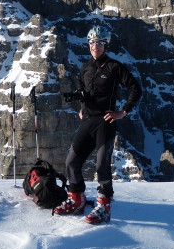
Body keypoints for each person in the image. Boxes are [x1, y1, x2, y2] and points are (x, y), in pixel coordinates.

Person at [54, 25, 142, 224]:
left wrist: (122, 112)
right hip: (88, 120)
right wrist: (82, 106)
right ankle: (76, 198)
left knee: (102, 165)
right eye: (93, 42)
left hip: (106, 121)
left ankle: (104, 205)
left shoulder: (115, 67)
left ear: (105, 45)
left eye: (100, 43)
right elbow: (82, 87)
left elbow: (135, 89)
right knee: (72, 162)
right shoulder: (86, 66)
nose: (96, 46)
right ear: (88, 44)